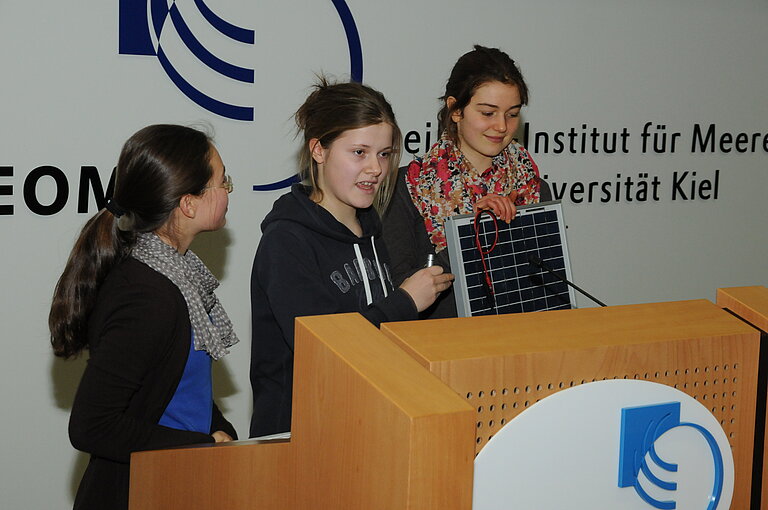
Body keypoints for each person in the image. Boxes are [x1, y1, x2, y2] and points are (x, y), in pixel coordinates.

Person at [249, 79, 454, 438]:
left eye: (385, 154)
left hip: (366, 427)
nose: (375, 168)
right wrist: (405, 302)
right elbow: (326, 348)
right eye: (359, 152)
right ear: (319, 151)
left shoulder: (371, 228)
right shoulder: (286, 240)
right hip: (298, 438)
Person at [49, 124, 239, 510]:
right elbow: (93, 425)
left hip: (179, 481)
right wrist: (201, 444)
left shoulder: (177, 276)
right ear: (188, 203)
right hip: (140, 492)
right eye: (223, 181)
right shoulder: (147, 296)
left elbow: (175, 382)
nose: (228, 190)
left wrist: (217, 427)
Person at [382, 45, 551, 319]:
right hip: (436, 349)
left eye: (512, 113)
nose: (501, 126)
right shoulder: (407, 186)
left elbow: (543, 289)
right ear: (455, 109)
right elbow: (401, 294)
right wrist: (470, 233)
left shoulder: (531, 188)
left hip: (516, 345)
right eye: (487, 113)